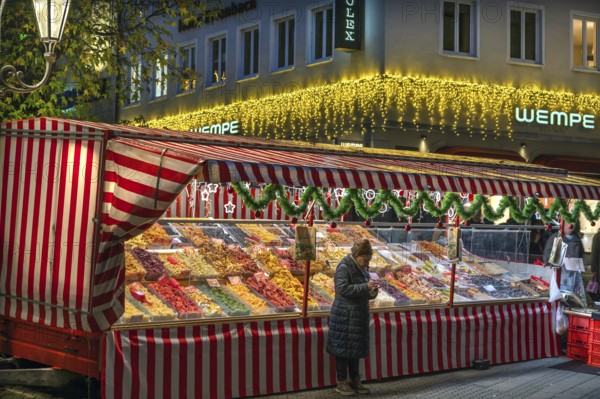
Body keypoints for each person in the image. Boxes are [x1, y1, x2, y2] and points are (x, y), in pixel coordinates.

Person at [326, 238, 379, 396]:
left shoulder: (363, 268)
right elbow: (342, 289)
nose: (366, 263)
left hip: (357, 315)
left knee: (355, 350)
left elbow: (364, 290)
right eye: (365, 259)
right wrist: (365, 287)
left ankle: (355, 380)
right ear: (356, 255)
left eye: (368, 260)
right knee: (343, 350)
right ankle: (342, 382)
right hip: (344, 314)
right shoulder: (344, 267)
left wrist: (372, 291)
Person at [543, 223, 586, 307]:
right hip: (559, 275)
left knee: (572, 301)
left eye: (573, 223)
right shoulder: (555, 238)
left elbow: (582, 256)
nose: (570, 226)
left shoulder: (577, 239)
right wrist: (558, 263)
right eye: (568, 223)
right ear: (563, 225)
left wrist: (579, 266)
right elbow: (547, 257)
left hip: (573, 276)